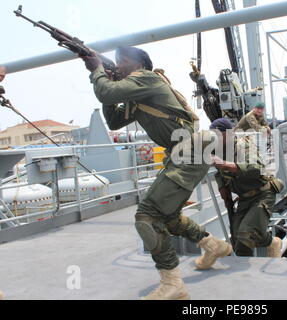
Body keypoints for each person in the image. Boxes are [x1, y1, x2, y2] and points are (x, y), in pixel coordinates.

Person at [81, 47, 231, 300]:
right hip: (186, 150)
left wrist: (96, 70)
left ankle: (173, 284)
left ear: (140, 63)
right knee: (169, 217)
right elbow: (115, 120)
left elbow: (105, 90)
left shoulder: (146, 78)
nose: (118, 66)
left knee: (147, 217)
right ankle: (213, 246)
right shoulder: (137, 90)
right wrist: (106, 79)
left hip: (189, 149)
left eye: (122, 61)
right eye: (115, 62)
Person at [210, 118, 284, 257]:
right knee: (237, 239)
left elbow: (256, 168)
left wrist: (225, 164)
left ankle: (246, 275)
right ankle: (271, 242)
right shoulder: (219, 150)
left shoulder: (243, 146)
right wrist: (222, 187)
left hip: (262, 194)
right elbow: (219, 173)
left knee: (246, 236)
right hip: (244, 198)